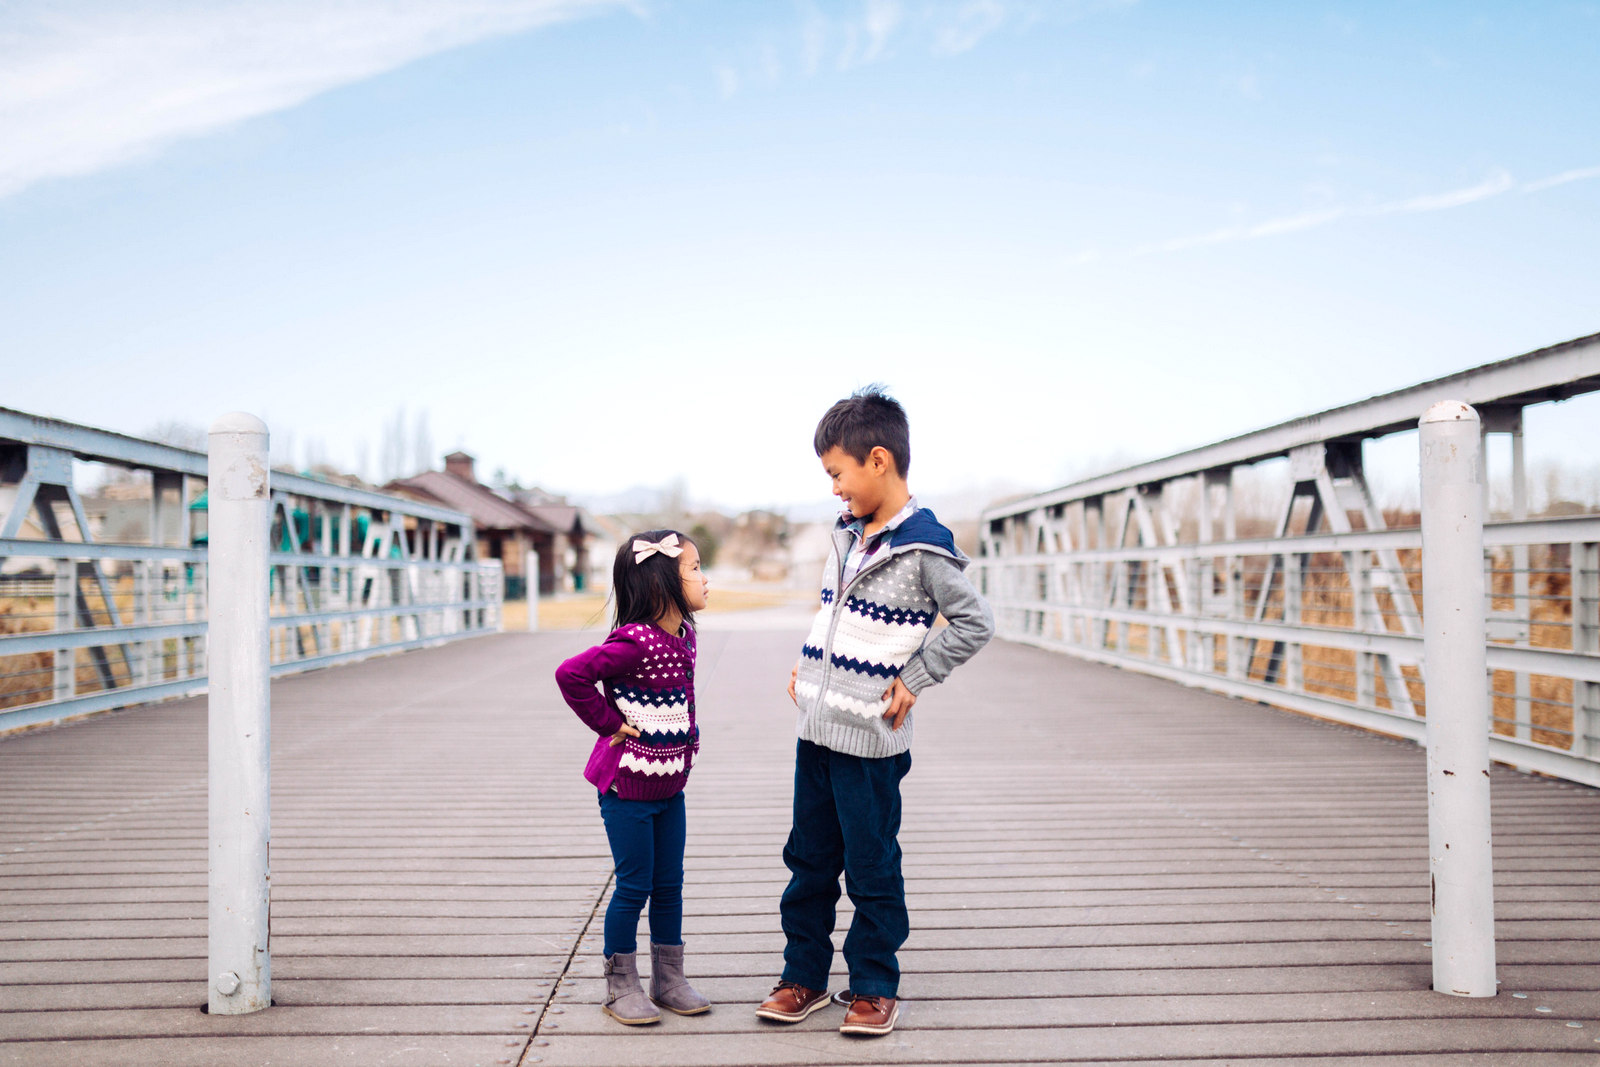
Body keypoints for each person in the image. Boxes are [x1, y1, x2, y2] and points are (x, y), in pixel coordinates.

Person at [757, 386, 994, 1037]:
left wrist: (917, 675)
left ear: (880, 460)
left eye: (838, 473)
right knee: (808, 860)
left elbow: (976, 622)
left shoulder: (923, 548)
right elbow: (831, 614)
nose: (834, 488)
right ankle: (802, 974)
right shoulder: (846, 535)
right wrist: (808, 664)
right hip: (818, 730)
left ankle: (872, 984)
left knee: (871, 863)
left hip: (872, 743)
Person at [554, 530, 712, 1026]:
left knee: (670, 885)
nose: (705, 578)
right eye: (694, 569)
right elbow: (571, 674)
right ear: (663, 581)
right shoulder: (632, 642)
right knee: (634, 885)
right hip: (627, 788)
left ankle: (669, 978)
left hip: (670, 786)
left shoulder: (684, 636)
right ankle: (620, 985)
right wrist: (608, 723)